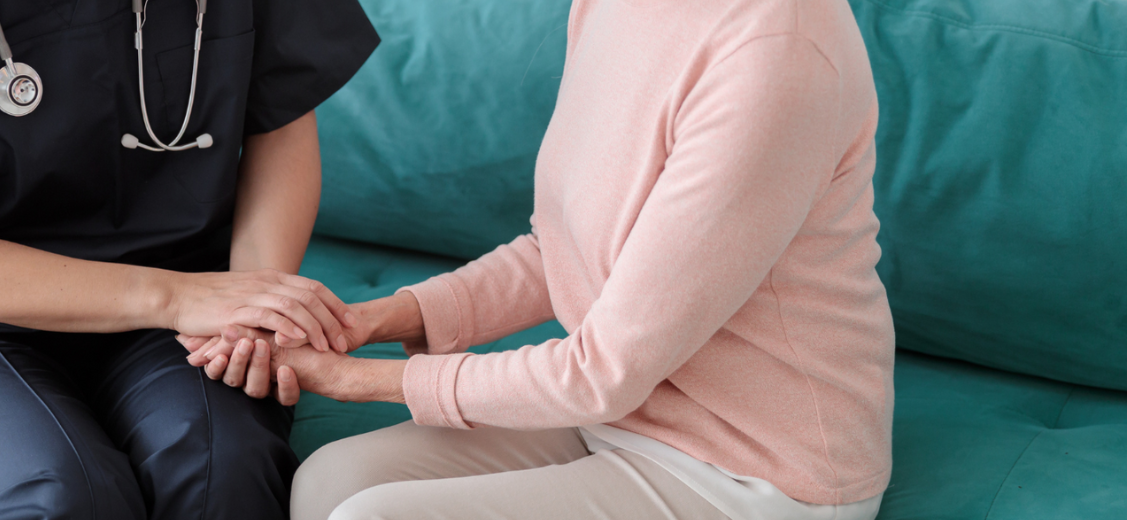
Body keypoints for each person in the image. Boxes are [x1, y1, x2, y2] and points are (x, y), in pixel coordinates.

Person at [185, 0, 895, 518]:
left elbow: (603, 374)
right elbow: (564, 246)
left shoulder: (777, 52)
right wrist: (366, 320)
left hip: (754, 470)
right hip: (627, 415)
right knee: (329, 483)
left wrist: (347, 376)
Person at [0, 0, 377, 518]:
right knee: (63, 498)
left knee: (221, 474)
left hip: (187, 289)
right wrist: (175, 298)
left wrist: (254, 307)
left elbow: (278, 120)